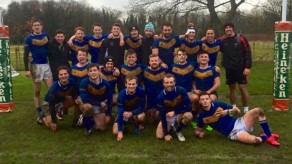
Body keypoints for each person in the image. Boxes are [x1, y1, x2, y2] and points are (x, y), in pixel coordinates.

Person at [195, 92, 280, 146]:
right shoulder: (201, 116)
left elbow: (237, 111)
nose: (205, 101)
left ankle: (269, 136)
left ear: (210, 100)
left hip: (240, 122)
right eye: (202, 99)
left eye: (207, 99)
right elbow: (197, 129)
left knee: (259, 111)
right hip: (234, 133)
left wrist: (227, 111)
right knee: (255, 140)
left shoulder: (219, 104)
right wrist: (199, 134)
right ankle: (264, 137)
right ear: (199, 102)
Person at [23, 19, 53, 123]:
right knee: (37, 90)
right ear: (32, 27)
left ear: (41, 26)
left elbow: (49, 49)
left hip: (46, 65)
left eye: (38, 25)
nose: (37, 27)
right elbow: (26, 55)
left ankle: (49, 107)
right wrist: (27, 69)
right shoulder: (28, 39)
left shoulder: (46, 36)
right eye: (35, 25)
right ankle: (39, 111)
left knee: (52, 89)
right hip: (35, 66)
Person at [220, 22, 252, 113]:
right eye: (226, 28)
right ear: (224, 30)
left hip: (241, 68)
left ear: (233, 28)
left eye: (230, 27)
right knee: (232, 87)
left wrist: (247, 67)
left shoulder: (241, 38)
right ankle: (233, 107)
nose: (228, 29)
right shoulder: (223, 39)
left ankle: (246, 109)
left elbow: (248, 53)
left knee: (242, 88)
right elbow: (213, 45)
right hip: (229, 68)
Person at [42, 66, 81, 131]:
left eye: (65, 74)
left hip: (61, 101)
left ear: (68, 74)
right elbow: (51, 105)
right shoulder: (54, 88)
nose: (63, 76)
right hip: (49, 104)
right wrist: (54, 121)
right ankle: (42, 117)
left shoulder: (72, 81)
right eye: (61, 74)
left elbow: (74, 92)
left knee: (78, 101)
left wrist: (75, 98)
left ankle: (75, 121)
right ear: (58, 76)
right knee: (52, 125)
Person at [156, 73, 193, 142]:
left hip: (179, 114)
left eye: (171, 82)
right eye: (166, 82)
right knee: (160, 136)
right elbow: (162, 116)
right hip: (168, 116)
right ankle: (171, 127)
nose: (169, 84)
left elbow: (189, 106)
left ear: (175, 82)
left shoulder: (181, 91)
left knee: (188, 116)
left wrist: (175, 112)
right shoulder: (160, 97)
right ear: (163, 83)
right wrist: (166, 134)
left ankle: (178, 130)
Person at [79, 63, 113, 135]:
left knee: (101, 128)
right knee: (87, 108)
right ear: (88, 73)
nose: (93, 72)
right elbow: (84, 98)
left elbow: (110, 99)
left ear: (99, 71)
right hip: (88, 103)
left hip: (99, 106)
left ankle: (91, 118)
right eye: (90, 71)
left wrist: (108, 114)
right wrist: (99, 103)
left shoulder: (106, 83)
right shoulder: (84, 82)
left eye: (95, 70)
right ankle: (87, 126)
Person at [113, 76, 146, 141]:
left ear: (136, 84)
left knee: (141, 116)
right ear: (126, 84)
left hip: (136, 112)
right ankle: (124, 127)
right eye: (129, 84)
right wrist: (120, 131)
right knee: (115, 132)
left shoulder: (141, 91)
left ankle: (137, 126)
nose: (131, 86)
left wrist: (132, 113)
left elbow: (142, 107)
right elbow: (120, 111)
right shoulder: (121, 94)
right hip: (124, 113)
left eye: (133, 84)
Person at [143, 54, 167, 123]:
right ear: (149, 62)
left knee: (161, 117)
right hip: (149, 99)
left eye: (156, 60)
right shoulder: (144, 71)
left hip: (161, 98)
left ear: (159, 61)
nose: (154, 62)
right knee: (151, 121)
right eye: (152, 61)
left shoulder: (165, 71)